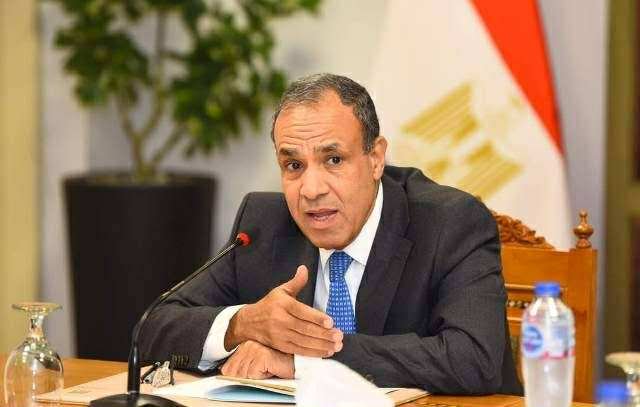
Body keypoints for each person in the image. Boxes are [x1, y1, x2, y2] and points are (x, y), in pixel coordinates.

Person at [140, 73, 522, 395]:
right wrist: (243, 324)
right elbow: (153, 328)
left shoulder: (450, 222)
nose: (311, 190)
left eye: (333, 159)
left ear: (376, 158)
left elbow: (474, 359)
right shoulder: (263, 223)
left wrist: (301, 360)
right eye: (294, 165)